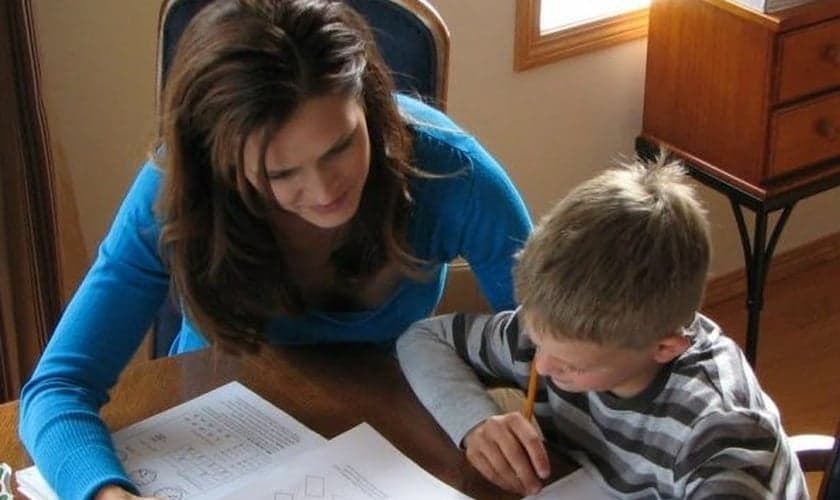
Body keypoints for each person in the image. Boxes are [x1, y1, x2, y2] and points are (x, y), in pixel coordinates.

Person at [19, 1, 532, 498]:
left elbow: (555, 348)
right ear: (220, 165)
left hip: (390, 442)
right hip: (211, 435)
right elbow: (58, 388)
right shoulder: (175, 194)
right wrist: (106, 494)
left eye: (341, 146)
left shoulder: (452, 174)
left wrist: (488, 418)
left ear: (369, 104)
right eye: (280, 173)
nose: (325, 188)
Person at [397, 158, 807, 498]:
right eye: (538, 340)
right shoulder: (561, 333)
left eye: (574, 367)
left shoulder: (721, 430)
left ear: (664, 348)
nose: (542, 365)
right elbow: (422, 339)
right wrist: (475, 421)